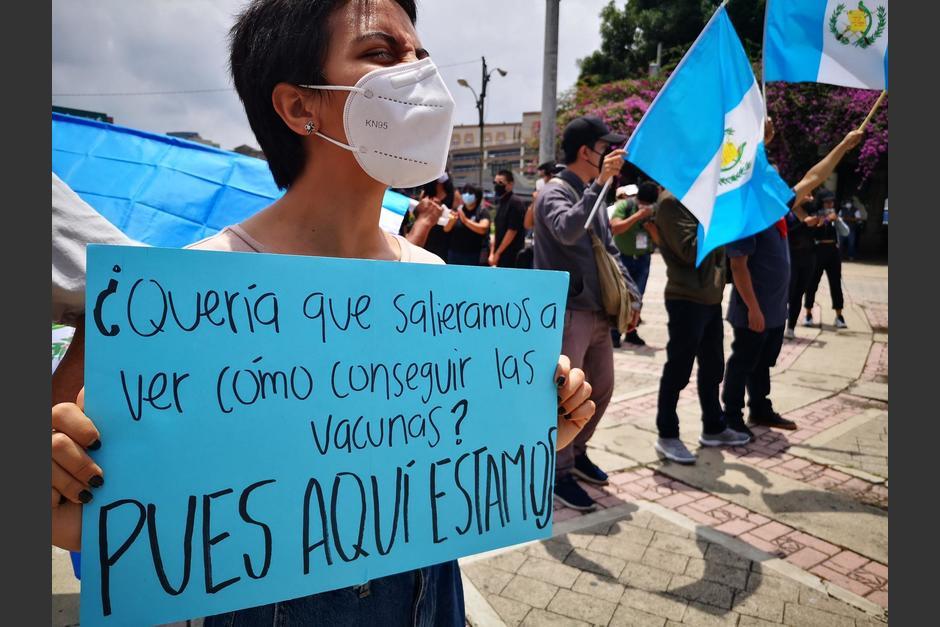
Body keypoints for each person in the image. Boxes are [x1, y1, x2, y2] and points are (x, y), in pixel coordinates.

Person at [50, 2, 597, 624]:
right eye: (381, 55)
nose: (421, 78)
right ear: (297, 106)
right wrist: (60, 483)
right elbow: (116, 525)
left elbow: (432, 474)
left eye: (420, 55)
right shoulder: (189, 299)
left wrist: (528, 433)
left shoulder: (433, 283)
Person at [725, 124, 864, 438]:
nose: (780, 180)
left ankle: (759, 409)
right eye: (771, 176)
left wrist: (843, 144)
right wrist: (753, 309)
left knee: (762, 363)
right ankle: (731, 417)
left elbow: (813, 177)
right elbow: (738, 266)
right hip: (754, 308)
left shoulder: (776, 207)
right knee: (743, 361)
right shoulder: (749, 213)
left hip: (773, 307)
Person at [533, 115, 642, 511]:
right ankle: (557, 472)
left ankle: (576, 453)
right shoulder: (553, 193)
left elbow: (610, 251)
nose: (611, 154)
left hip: (596, 312)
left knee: (602, 387)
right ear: (586, 152)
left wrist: (632, 296)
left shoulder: (596, 197)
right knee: (564, 395)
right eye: (604, 148)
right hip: (567, 312)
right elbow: (566, 230)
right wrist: (599, 186)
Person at [653, 189, 749, 464]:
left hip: (710, 297)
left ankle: (714, 426)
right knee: (679, 369)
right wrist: (717, 217)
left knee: (713, 366)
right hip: (686, 298)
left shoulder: (701, 199)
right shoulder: (672, 202)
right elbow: (690, 250)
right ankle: (667, 434)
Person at [610, 181, 659, 347]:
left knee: (638, 298)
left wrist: (649, 224)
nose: (644, 207)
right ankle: (614, 333)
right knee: (620, 297)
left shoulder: (655, 212)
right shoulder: (625, 206)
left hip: (643, 259)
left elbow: (660, 240)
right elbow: (615, 227)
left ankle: (631, 331)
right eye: (642, 204)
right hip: (622, 258)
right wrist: (637, 217)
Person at [803, 190, 848, 329]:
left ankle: (839, 316)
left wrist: (837, 220)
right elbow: (809, 231)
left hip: (833, 251)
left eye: (831, 201)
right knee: (812, 283)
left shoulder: (835, 214)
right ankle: (808, 314)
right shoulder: (815, 214)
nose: (830, 204)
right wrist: (822, 221)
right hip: (818, 250)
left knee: (836, 283)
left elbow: (846, 232)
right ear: (821, 202)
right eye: (827, 202)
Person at [400, 171, 461, 260]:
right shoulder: (425, 194)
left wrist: (449, 217)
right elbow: (417, 214)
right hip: (425, 233)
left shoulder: (454, 194)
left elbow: (451, 222)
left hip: (442, 237)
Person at [488, 169, 526, 268]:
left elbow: (512, 231)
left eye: (500, 183)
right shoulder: (500, 202)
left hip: (512, 255)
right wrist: (493, 253)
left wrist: (497, 253)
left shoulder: (515, 202)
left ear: (510, 184)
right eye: (495, 182)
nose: (497, 185)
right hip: (500, 254)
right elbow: (497, 231)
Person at [444, 183, 489, 265]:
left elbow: (483, 229)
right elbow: (446, 229)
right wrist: (452, 221)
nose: (467, 195)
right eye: (465, 192)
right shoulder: (458, 210)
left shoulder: (482, 211)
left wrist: (465, 221)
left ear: (477, 196)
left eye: (470, 193)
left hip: (473, 255)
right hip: (454, 253)